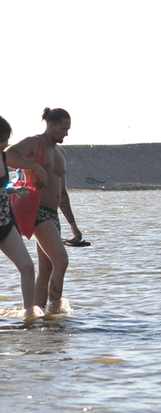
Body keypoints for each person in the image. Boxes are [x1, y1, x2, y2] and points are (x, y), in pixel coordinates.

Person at [5, 108, 85, 314]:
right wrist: (34, 166)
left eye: (68, 129)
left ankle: (37, 312)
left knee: (48, 268)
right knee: (62, 261)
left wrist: (73, 226)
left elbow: (62, 193)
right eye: (63, 128)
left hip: (53, 214)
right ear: (50, 125)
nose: (66, 133)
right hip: (37, 210)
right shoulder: (34, 143)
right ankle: (54, 310)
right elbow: (7, 156)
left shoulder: (61, 153)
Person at [0, 116, 39, 318]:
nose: (6, 144)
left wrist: (15, 189)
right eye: (2, 140)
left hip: (6, 224)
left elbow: (4, 185)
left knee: (27, 267)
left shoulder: (3, 157)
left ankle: (29, 315)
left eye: (7, 139)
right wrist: (12, 192)